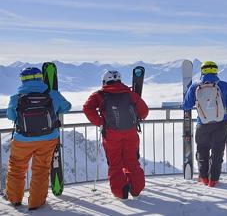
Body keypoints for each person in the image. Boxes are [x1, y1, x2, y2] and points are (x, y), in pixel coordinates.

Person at [4, 67, 71, 210]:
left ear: (22, 79)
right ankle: (36, 202)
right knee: (41, 169)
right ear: (41, 78)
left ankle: (14, 199)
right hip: (48, 138)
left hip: (22, 139)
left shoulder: (16, 97)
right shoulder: (53, 94)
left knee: (16, 168)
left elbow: (11, 116)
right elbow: (67, 107)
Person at [83, 70, 149, 199]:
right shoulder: (130, 93)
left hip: (111, 134)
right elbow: (144, 111)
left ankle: (121, 192)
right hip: (131, 133)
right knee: (132, 161)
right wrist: (136, 118)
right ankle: (136, 189)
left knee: (115, 164)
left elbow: (87, 108)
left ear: (104, 81)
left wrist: (100, 122)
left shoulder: (100, 95)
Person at [183, 61, 227, 187]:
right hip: (221, 122)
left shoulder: (195, 86)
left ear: (202, 71)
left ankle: (203, 178)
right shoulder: (225, 86)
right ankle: (213, 180)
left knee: (202, 150)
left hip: (203, 123)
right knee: (218, 151)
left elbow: (186, 105)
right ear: (216, 71)